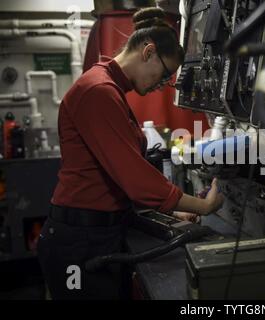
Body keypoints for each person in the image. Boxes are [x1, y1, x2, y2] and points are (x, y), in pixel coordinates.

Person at [37, 7, 224, 300]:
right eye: (163, 76)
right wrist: (204, 206)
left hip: (100, 233)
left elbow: (121, 174)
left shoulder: (109, 88)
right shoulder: (98, 91)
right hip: (79, 242)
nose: (159, 86)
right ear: (148, 52)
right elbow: (134, 178)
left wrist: (174, 208)